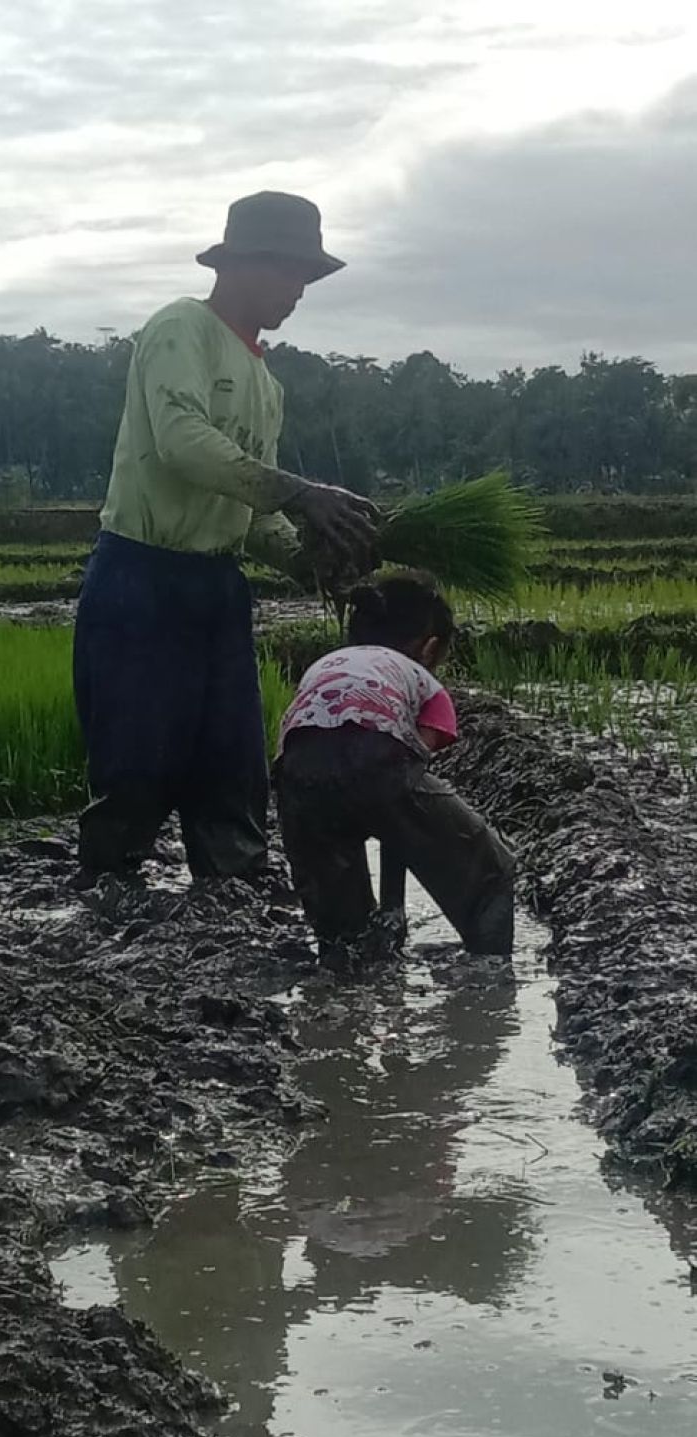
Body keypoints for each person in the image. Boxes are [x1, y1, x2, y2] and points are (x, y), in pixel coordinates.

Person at [74, 191, 377, 881]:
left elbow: (254, 518)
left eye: (307, 277)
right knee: (134, 770)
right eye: (291, 273)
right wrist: (301, 491)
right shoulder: (181, 329)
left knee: (231, 777)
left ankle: (234, 923)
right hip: (141, 581)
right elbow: (182, 442)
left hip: (217, 591)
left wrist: (313, 559)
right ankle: (105, 923)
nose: (300, 291)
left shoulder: (266, 384)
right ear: (243, 266)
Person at [275, 572, 515, 960]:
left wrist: (393, 907)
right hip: (377, 764)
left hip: (297, 779)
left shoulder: (328, 665)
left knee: (345, 937)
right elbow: (398, 798)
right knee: (492, 872)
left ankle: (346, 983)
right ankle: (486, 984)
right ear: (430, 648)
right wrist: (394, 905)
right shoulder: (426, 685)